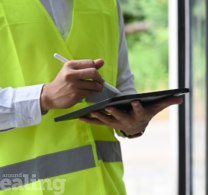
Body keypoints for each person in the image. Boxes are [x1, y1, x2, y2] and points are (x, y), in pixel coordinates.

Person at [0, 0, 182, 194]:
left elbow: (122, 83)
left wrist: (132, 121)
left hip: (105, 186)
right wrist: (44, 97)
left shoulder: (108, 3)